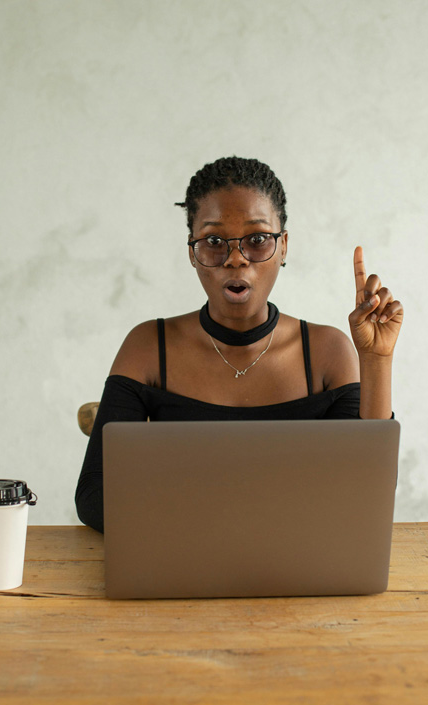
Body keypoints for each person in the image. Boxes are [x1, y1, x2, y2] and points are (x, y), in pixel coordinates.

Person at [76, 157, 403, 533]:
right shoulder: (149, 347)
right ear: (191, 252)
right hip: (184, 571)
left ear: (283, 248)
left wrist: (377, 360)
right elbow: (95, 498)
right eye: (214, 242)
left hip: (297, 575)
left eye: (258, 240)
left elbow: (368, 495)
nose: (235, 258)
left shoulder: (328, 352)